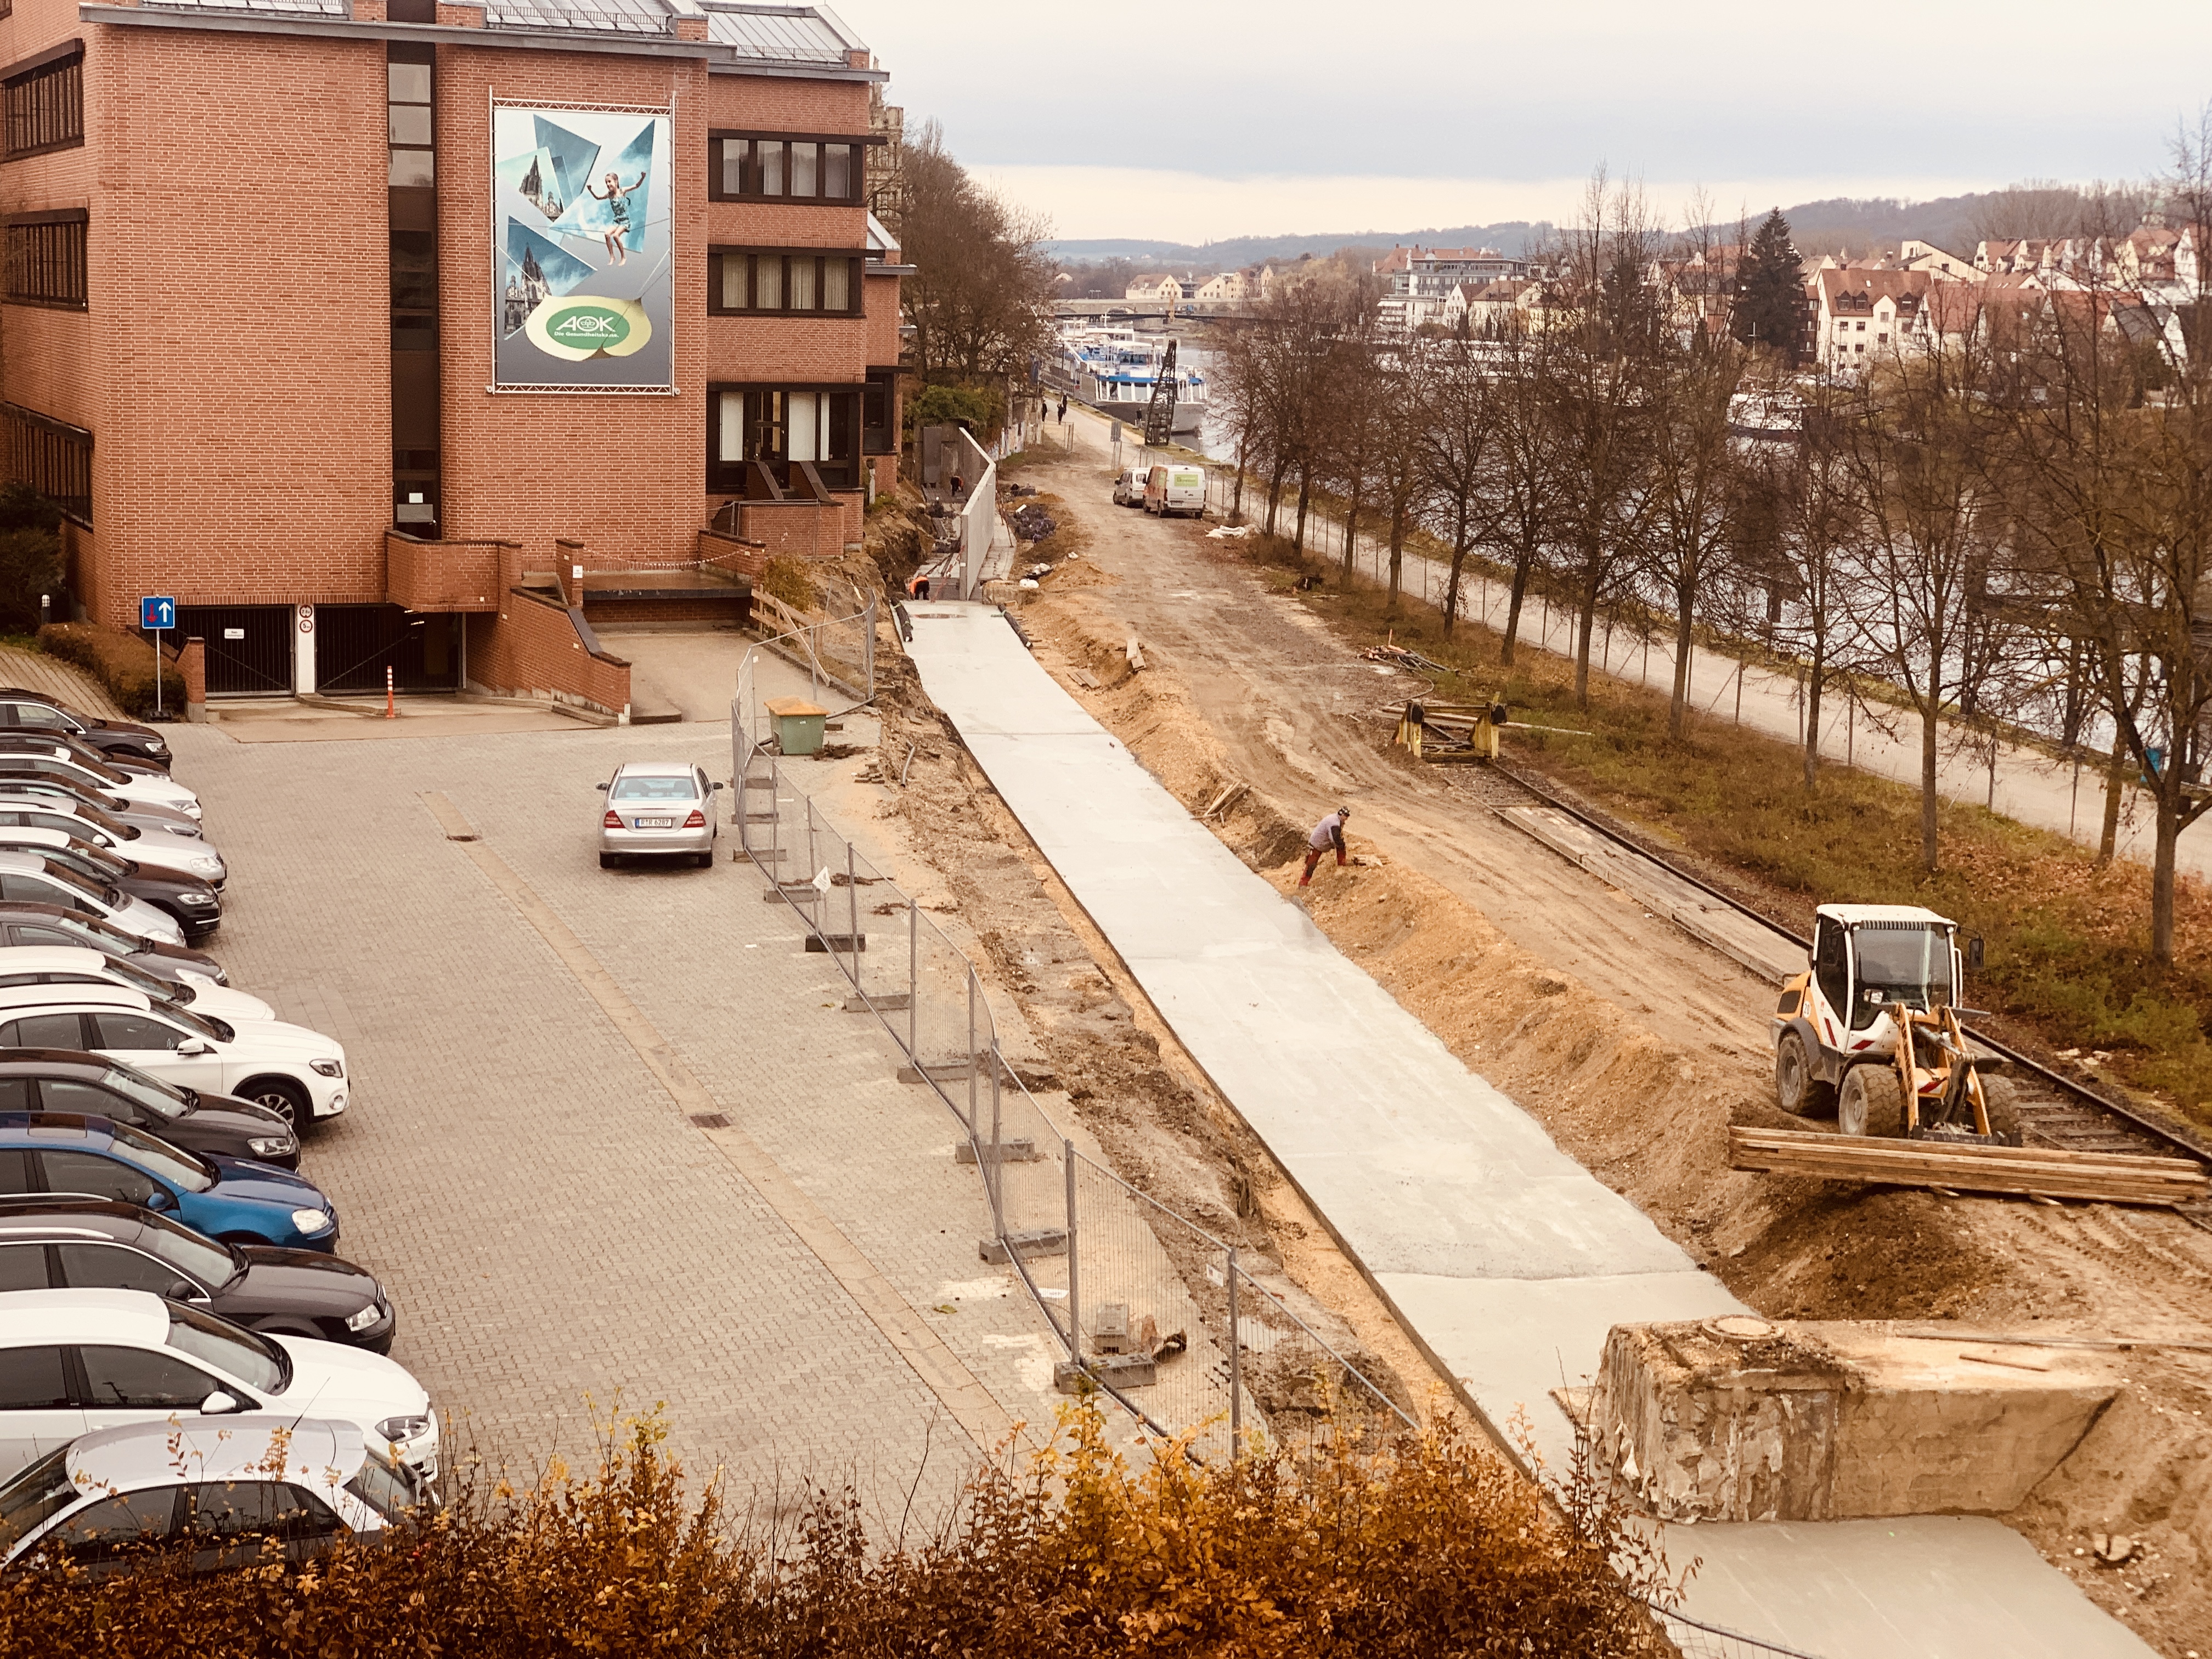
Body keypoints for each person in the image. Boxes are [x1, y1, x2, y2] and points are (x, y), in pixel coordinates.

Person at [588, 170, 647, 264]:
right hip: (616, 221)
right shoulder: (609, 195)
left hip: (625, 221)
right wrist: (591, 190)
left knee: (616, 236)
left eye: (609, 182)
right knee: (607, 234)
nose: (608, 184)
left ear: (616, 181)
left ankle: (623, 257)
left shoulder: (622, 191)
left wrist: (642, 178)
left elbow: (636, 186)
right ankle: (612, 257)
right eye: (606, 183)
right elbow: (598, 198)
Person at [1300, 805, 1351, 887]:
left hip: (1321, 843)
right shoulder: (1334, 824)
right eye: (1346, 816)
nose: (1347, 819)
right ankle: (1303, 884)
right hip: (1317, 844)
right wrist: (1341, 844)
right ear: (1342, 815)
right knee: (1311, 865)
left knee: (1341, 846)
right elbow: (1335, 839)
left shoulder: (1335, 820)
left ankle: (1342, 864)